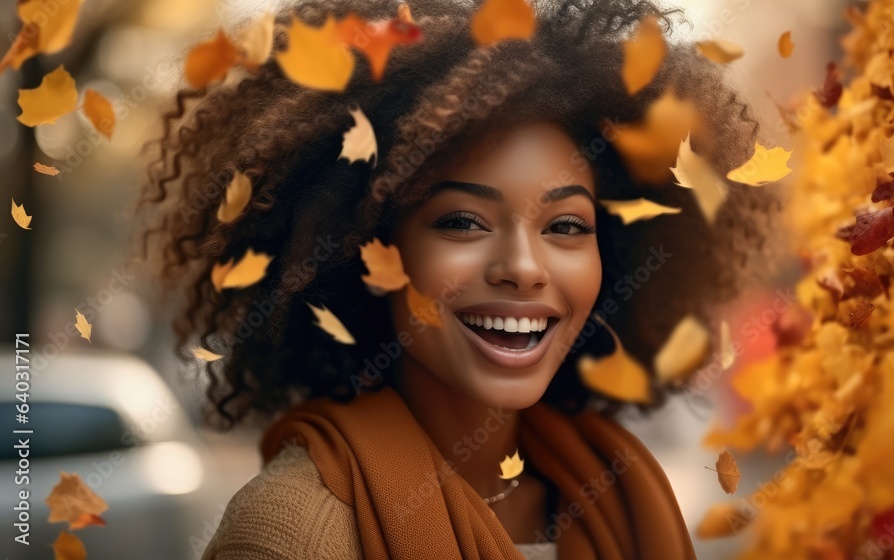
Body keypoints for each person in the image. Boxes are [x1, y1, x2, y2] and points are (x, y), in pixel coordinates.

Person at [132, 0, 777, 558]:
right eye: (464, 221)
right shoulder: (292, 535)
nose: (524, 268)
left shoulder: (621, 498)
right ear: (370, 250)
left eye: (566, 226)